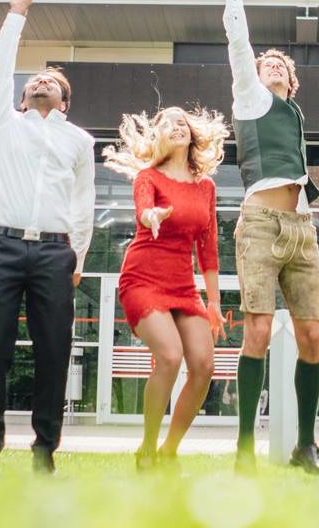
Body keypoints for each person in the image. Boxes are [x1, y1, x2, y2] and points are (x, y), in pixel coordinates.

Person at [0, 0, 95, 475]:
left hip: (54, 254)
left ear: (63, 102)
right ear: (22, 98)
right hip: (1, 247)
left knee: (53, 353)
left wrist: (78, 259)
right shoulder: (4, 124)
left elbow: (84, 204)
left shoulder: (79, 141)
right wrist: (16, 15)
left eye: (52, 83)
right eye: (34, 82)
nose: (40, 82)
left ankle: (45, 451)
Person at [222, 0, 319, 476]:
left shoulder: (294, 114)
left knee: (313, 336)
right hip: (262, 225)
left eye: (278, 65)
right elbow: (238, 45)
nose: (268, 67)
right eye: (263, 65)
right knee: (259, 332)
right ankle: (245, 448)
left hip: (301, 229)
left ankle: (305, 447)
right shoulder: (251, 100)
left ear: (290, 80)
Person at [106, 106, 227, 470]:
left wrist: (214, 302)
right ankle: (146, 447)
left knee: (205, 366)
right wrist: (151, 215)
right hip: (142, 278)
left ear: (192, 134)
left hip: (182, 285)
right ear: (157, 136)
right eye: (168, 123)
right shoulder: (148, 177)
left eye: (182, 123)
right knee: (170, 356)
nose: (177, 126)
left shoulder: (205, 186)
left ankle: (169, 451)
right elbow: (143, 208)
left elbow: (208, 247)